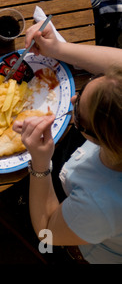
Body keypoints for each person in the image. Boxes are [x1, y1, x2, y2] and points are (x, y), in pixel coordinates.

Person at [12, 21, 122, 264]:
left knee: (15, 197)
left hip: (81, 239)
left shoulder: (102, 205)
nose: (72, 98)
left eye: (78, 115)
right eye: (83, 89)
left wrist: (40, 164)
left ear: (100, 140)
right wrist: (58, 49)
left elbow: (47, 230)